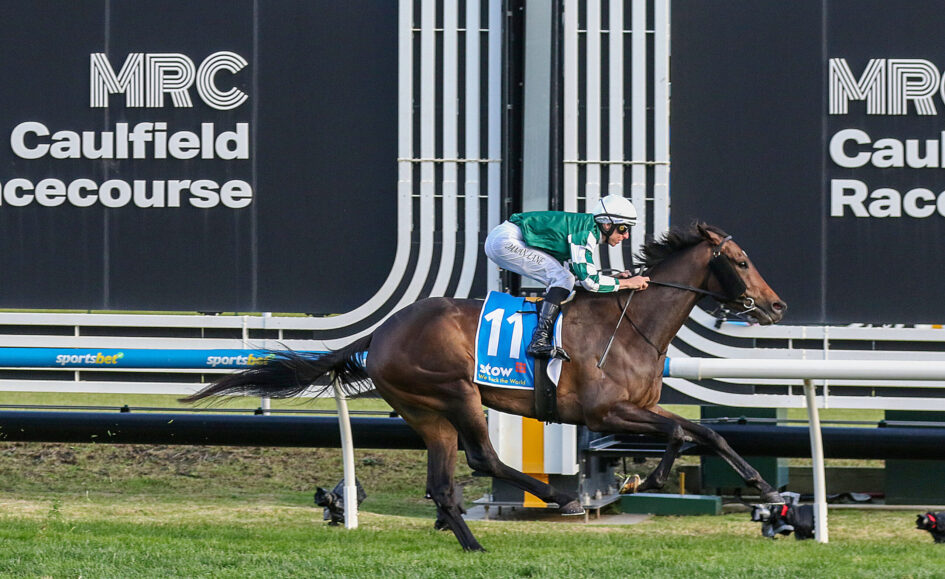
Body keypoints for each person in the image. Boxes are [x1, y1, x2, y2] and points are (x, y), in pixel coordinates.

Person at [484, 194, 650, 361]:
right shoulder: (585, 233)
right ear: (607, 224)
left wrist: (613, 279)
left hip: (504, 238)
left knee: (565, 278)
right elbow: (590, 283)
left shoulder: (586, 229)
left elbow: (580, 278)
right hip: (506, 240)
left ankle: (540, 336)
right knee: (563, 279)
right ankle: (539, 340)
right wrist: (628, 283)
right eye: (623, 228)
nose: (626, 235)